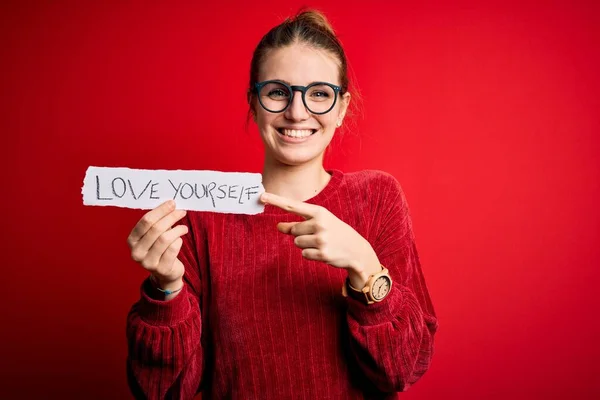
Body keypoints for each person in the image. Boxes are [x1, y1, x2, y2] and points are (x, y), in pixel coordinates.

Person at [126, 9, 438, 400]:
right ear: (253, 103)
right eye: (277, 91)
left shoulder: (377, 197)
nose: (297, 111)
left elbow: (404, 369)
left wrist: (366, 266)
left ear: (342, 109)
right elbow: (163, 392)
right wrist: (165, 290)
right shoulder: (201, 216)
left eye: (320, 94)